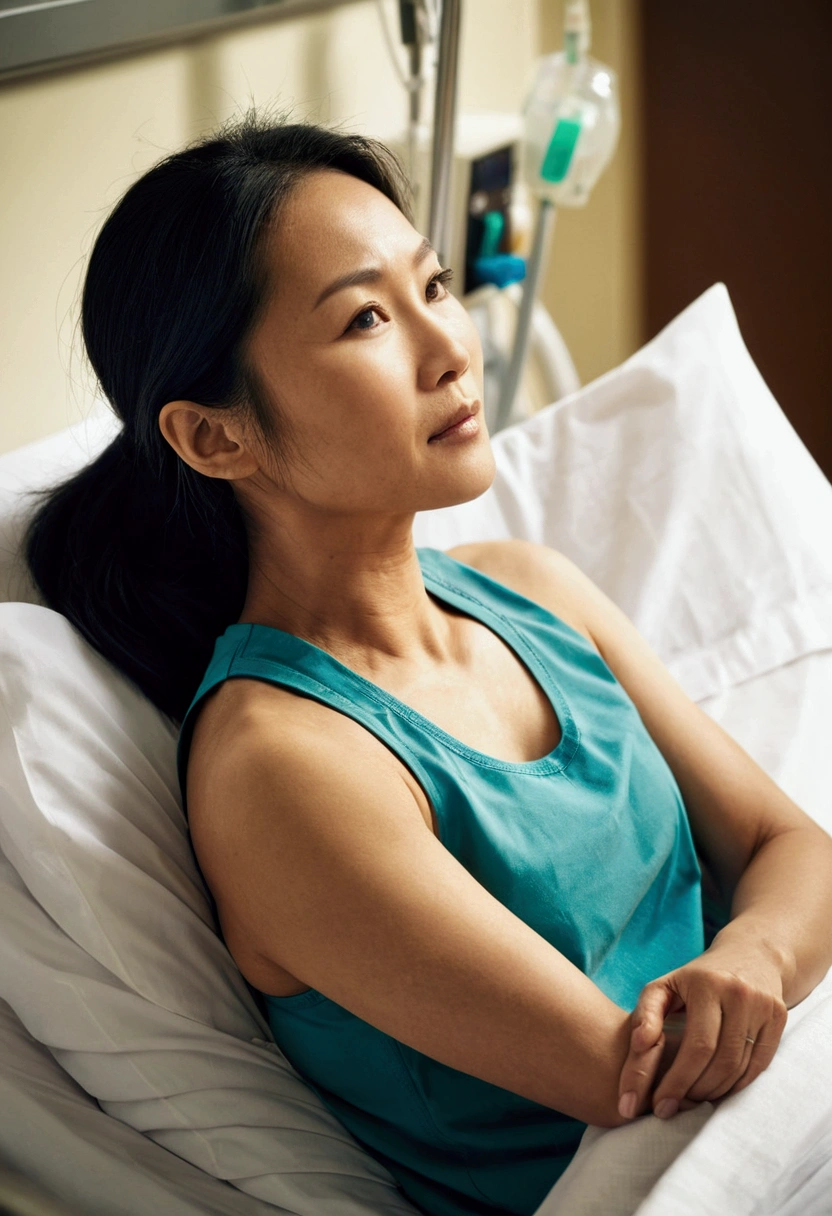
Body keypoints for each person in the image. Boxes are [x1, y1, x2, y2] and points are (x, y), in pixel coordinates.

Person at [25, 115, 832, 1216]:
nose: (452, 346)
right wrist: (767, 957)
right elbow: (631, 1076)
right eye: (365, 317)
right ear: (216, 438)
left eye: (436, 285)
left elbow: (791, 845)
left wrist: (750, 957)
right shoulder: (282, 762)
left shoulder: (533, 590)